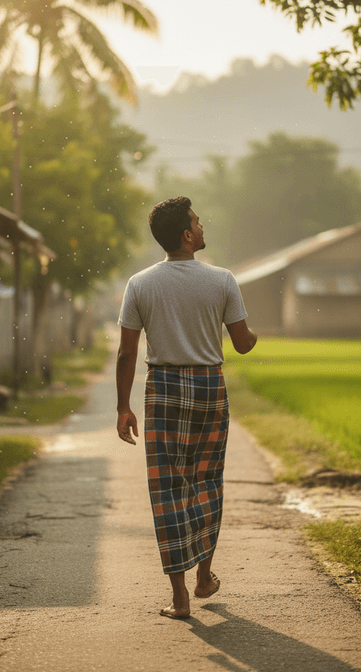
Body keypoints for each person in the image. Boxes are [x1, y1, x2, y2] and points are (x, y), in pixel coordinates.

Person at [116, 196, 257, 619]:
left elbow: (127, 354)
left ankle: (179, 598)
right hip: (209, 386)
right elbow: (244, 343)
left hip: (162, 388)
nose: (202, 225)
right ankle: (204, 577)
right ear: (187, 235)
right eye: (197, 221)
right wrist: (255, 333)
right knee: (206, 480)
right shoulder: (223, 280)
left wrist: (123, 407)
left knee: (167, 488)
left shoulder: (139, 284)